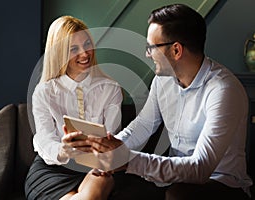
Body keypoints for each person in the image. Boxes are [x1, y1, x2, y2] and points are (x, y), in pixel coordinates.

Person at [87, 4, 253, 200]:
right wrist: (111, 148)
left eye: (151, 47)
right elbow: (143, 125)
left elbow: (200, 169)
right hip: (176, 177)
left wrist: (127, 161)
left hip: (220, 183)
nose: (147, 54)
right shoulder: (162, 80)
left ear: (176, 50)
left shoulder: (223, 90)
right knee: (119, 187)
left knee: (177, 195)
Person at [24, 16, 123, 200]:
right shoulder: (44, 92)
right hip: (52, 169)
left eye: (87, 44)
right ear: (59, 53)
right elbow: (45, 139)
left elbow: (110, 137)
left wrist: (100, 156)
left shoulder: (110, 88)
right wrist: (64, 150)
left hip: (96, 165)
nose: (85, 54)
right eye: (74, 49)